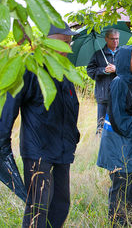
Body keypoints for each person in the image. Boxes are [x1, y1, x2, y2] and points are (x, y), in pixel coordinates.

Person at [0, 22, 80, 228]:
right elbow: (10, 104)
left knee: (61, 205)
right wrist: (2, 138)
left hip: (62, 150)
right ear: (48, 42)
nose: (68, 49)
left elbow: (71, 106)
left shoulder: (64, 72)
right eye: (64, 42)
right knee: (38, 207)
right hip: (38, 151)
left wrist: (74, 136)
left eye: (69, 43)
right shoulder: (31, 69)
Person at [96, 45, 132, 226]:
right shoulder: (119, 82)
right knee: (120, 189)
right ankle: (117, 223)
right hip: (119, 148)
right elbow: (119, 120)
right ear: (123, 61)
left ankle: (128, 222)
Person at [87, 28, 120, 134]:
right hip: (104, 95)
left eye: (117, 39)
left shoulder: (123, 53)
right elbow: (90, 71)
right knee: (102, 126)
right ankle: (99, 147)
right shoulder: (98, 55)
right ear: (106, 39)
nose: (115, 41)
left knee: (119, 125)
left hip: (120, 96)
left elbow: (130, 71)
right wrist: (104, 70)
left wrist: (116, 69)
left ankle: (119, 148)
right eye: (112, 39)